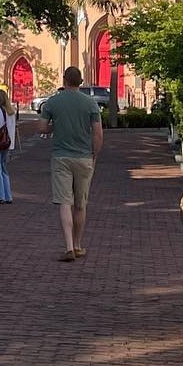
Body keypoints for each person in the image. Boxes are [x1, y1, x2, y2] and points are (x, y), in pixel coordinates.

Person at [36, 66, 103, 262]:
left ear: (64, 80)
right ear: (81, 82)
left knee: (65, 202)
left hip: (61, 157)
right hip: (84, 157)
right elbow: (98, 134)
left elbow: (41, 127)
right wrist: (94, 155)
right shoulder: (90, 103)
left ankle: (67, 246)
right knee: (80, 204)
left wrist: (55, 126)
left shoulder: (53, 102)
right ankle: (77, 244)